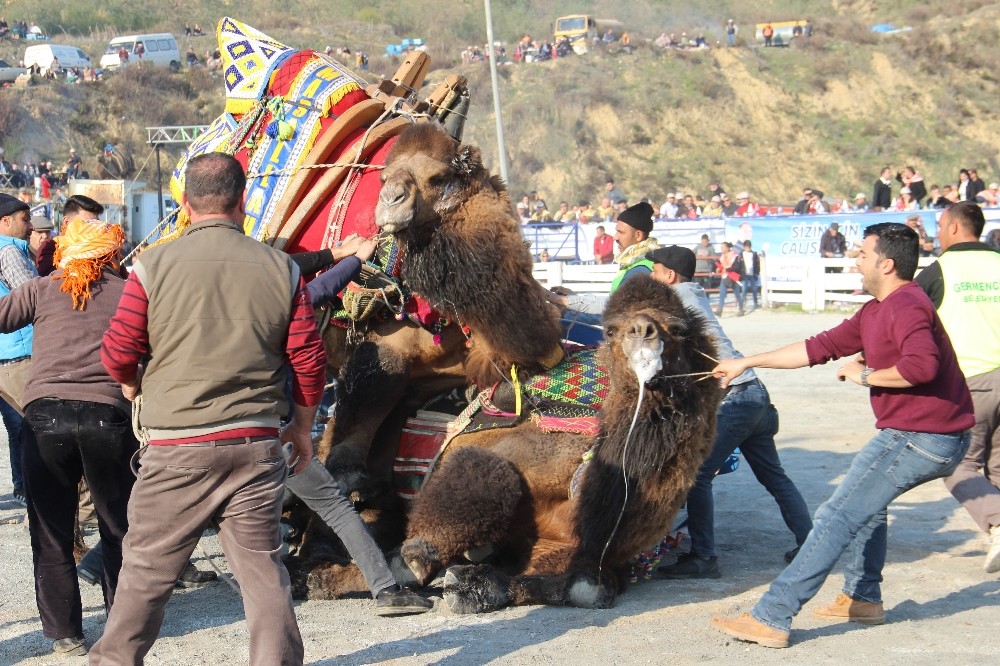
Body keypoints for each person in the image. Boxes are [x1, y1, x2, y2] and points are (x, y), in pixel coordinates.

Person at [91, 153, 326, 664]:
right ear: (243, 201)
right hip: (255, 445)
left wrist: (130, 383)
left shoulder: (151, 266)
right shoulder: (283, 269)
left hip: (177, 447)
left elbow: (117, 351)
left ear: (184, 205)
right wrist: (301, 428)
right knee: (262, 572)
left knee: (147, 572)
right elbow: (309, 359)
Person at [710, 222, 974, 649]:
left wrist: (864, 375)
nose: (856, 261)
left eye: (863, 255)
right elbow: (816, 348)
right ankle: (862, 597)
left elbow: (921, 367)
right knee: (868, 506)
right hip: (926, 435)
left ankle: (773, 616)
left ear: (886, 264)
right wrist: (746, 362)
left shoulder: (906, 305)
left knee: (836, 516)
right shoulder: (877, 309)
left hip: (920, 437)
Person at [0, 220, 137, 657]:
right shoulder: (129, 292)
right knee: (118, 528)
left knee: (51, 531)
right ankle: (119, 627)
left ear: (66, 252)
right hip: (108, 418)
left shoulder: (42, 288)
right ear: (110, 253)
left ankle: (65, 634)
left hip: (45, 418)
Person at [646, 247, 811, 579]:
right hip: (754, 394)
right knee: (775, 477)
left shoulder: (674, 300)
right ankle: (811, 545)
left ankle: (704, 558)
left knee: (698, 477)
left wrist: (567, 302)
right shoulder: (692, 295)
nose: (650, 277)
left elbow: (621, 311)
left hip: (734, 400)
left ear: (669, 276)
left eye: (655, 271)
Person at [915, 202, 1000, 573]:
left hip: (972, 381)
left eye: (939, 227)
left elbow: (907, 320)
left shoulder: (940, 270)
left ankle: (997, 523)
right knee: (997, 466)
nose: (937, 234)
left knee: (956, 462)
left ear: (952, 227)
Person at [37, 194, 104, 277]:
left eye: (96, 222)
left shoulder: (105, 247)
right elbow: (51, 280)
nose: (94, 226)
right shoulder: (51, 248)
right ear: (67, 222)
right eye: (87, 223)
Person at [610, 201, 657, 292]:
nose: (615, 237)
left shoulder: (640, 271)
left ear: (638, 235)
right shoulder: (632, 263)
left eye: (621, 232)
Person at [716, 241, 743, 316]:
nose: (721, 249)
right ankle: (719, 310)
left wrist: (728, 269)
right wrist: (718, 268)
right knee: (722, 294)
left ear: (727, 248)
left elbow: (737, 267)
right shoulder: (722, 257)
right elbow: (721, 266)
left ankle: (741, 309)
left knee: (737, 294)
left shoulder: (734, 256)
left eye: (722, 247)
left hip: (733, 277)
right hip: (725, 277)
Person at [733, 239, 760, 311]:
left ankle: (755, 303)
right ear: (744, 247)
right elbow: (738, 264)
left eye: (749, 247)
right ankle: (742, 304)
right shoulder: (741, 254)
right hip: (744, 274)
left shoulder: (754, 254)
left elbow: (757, 265)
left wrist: (756, 273)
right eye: (746, 247)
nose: (747, 248)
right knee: (744, 289)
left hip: (752, 274)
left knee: (754, 289)